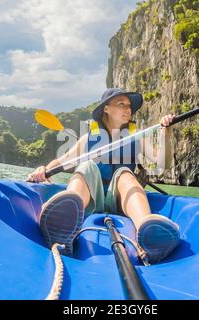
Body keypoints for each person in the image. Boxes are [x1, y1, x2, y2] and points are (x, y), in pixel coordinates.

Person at [27, 88, 180, 264]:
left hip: (120, 199)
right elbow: (63, 161)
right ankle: (67, 219)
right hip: (93, 199)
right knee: (85, 166)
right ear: (106, 109)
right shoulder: (88, 138)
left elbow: (163, 163)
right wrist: (43, 170)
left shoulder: (136, 137)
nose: (128, 109)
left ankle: (146, 230)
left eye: (129, 106)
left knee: (125, 173)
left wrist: (165, 133)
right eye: (121, 104)